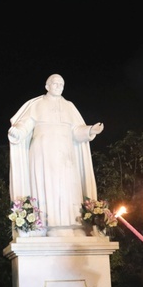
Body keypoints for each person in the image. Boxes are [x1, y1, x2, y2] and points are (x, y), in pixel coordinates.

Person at [8, 74, 103, 237]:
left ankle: (73, 225)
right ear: (47, 86)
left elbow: (76, 131)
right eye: (55, 83)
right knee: (46, 186)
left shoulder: (69, 106)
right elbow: (25, 124)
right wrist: (17, 132)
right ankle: (46, 226)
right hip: (43, 153)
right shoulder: (36, 105)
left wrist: (90, 130)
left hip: (65, 153)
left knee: (69, 187)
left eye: (61, 84)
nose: (58, 86)